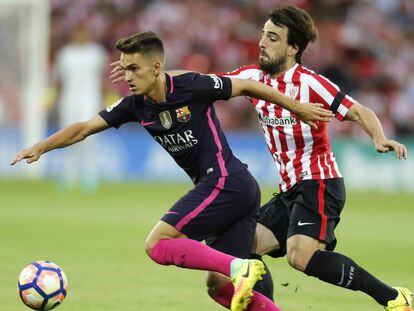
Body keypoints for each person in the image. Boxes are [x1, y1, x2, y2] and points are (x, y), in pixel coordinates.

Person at [109, 6, 413, 311]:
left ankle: (392, 298)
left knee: (299, 256)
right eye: (262, 35)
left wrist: (378, 137)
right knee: (244, 250)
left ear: (293, 48)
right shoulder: (251, 77)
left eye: (272, 37)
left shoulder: (310, 84)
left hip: (319, 181)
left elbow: (359, 110)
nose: (262, 43)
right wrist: (156, 76)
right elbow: (196, 81)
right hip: (288, 191)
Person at [11, 31, 334, 311]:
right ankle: (243, 275)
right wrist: (41, 146)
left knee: (158, 244)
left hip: (226, 180)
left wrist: (296, 107)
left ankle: (239, 267)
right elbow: (83, 128)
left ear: (156, 67)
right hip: (234, 189)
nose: (128, 77)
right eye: (124, 70)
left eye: (134, 69)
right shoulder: (134, 104)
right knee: (218, 288)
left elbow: (248, 86)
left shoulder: (192, 85)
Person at [53, 24, 107, 192]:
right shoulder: (65, 54)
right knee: (66, 136)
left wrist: (105, 97)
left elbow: (104, 78)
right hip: (69, 100)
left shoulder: (96, 53)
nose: (81, 37)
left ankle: (90, 177)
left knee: (90, 138)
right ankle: (69, 177)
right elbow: (59, 79)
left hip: (90, 99)